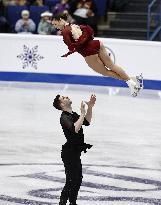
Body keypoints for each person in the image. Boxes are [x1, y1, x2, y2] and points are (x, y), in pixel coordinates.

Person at [51, 13, 143, 97]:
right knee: (111, 65)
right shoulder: (73, 25)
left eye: (55, 24)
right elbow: (86, 33)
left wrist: (69, 52)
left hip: (88, 51)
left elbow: (72, 47)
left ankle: (133, 83)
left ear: (60, 20)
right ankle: (133, 81)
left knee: (105, 72)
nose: (56, 27)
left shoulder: (65, 31)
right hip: (96, 43)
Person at [53, 94, 96, 205]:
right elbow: (74, 129)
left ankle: (73, 202)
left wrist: (90, 107)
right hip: (69, 153)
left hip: (75, 152)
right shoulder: (64, 117)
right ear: (62, 104)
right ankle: (62, 202)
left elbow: (86, 122)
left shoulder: (72, 114)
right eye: (64, 98)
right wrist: (82, 113)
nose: (66, 97)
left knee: (78, 179)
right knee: (71, 180)